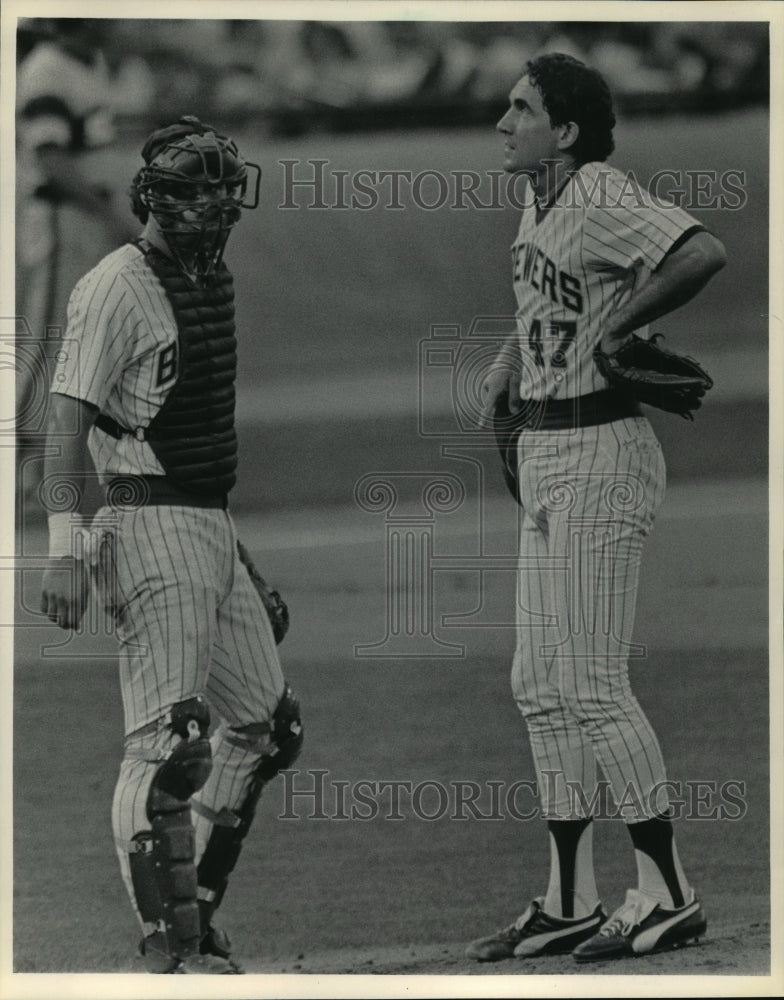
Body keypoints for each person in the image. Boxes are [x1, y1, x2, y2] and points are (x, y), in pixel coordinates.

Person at [466, 53, 726, 963]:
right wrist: (510, 362)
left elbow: (700, 251)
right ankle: (569, 899)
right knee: (539, 684)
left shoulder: (599, 191)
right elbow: (548, 296)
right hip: (549, 454)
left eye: (522, 109)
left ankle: (669, 894)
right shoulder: (538, 200)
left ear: (566, 132)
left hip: (601, 455)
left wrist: (620, 324)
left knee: (590, 683)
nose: (504, 123)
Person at [40, 116, 303, 974]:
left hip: (206, 526)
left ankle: (198, 916)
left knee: (266, 727)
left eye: (226, 190)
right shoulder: (115, 287)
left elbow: (196, 446)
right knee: (165, 747)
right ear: (158, 199)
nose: (218, 206)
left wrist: (238, 559)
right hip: (146, 526)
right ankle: (170, 949)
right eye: (201, 193)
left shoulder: (208, 279)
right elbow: (65, 424)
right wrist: (65, 550)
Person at [15, 18, 134, 506]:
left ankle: (45, 468)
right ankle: (21, 461)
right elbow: (50, 157)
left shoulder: (91, 60)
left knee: (81, 341)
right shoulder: (48, 68)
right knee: (48, 341)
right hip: (62, 214)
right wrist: (106, 214)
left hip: (88, 213)